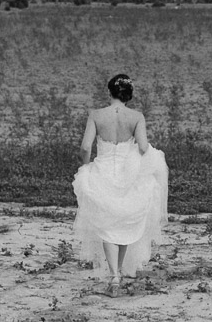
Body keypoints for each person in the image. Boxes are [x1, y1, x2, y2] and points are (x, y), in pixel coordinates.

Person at [72, 73, 169, 294]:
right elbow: (143, 147)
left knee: (108, 225)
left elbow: (86, 147)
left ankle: (114, 276)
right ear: (129, 95)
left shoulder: (96, 115)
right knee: (125, 222)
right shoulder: (136, 117)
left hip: (103, 171)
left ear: (110, 91)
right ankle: (117, 274)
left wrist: (86, 166)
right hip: (128, 174)